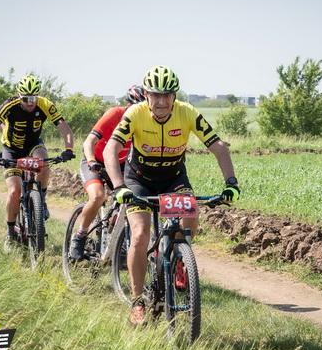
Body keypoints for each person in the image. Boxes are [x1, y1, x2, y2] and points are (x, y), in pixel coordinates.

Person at [103, 65, 240, 324]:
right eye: (156, 95)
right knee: (140, 234)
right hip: (139, 180)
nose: (162, 101)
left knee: (190, 220)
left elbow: (218, 146)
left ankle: (178, 258)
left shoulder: (187, 112)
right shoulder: (135, 113)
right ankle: (137, 301)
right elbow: (111, 149)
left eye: (167, 95)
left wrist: (231, 183)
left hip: (174, 179)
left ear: (174, 96)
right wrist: (119, 186)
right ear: (146, 95)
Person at [0, 75, 75, 248]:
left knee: (43, 160)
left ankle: (41, 200)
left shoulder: (45, 104)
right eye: (25, 99)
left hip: (33, 145)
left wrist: (68, 149)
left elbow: (66, 129)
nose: (30, 103)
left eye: (33, 98)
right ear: (19, 95)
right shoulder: (9, 105)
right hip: (11, 149)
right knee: (14, 191)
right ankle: (10, 232)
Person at [69, 85, 147, 260]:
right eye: (135, 107)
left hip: (119, 164)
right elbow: (89, 142)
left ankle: (117, 238)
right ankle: (80, 235)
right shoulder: (114, 114)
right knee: (98, 196)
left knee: (131, 198)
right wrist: (91, 161)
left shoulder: (145, 121)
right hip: (96, 160)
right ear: (128, 105)